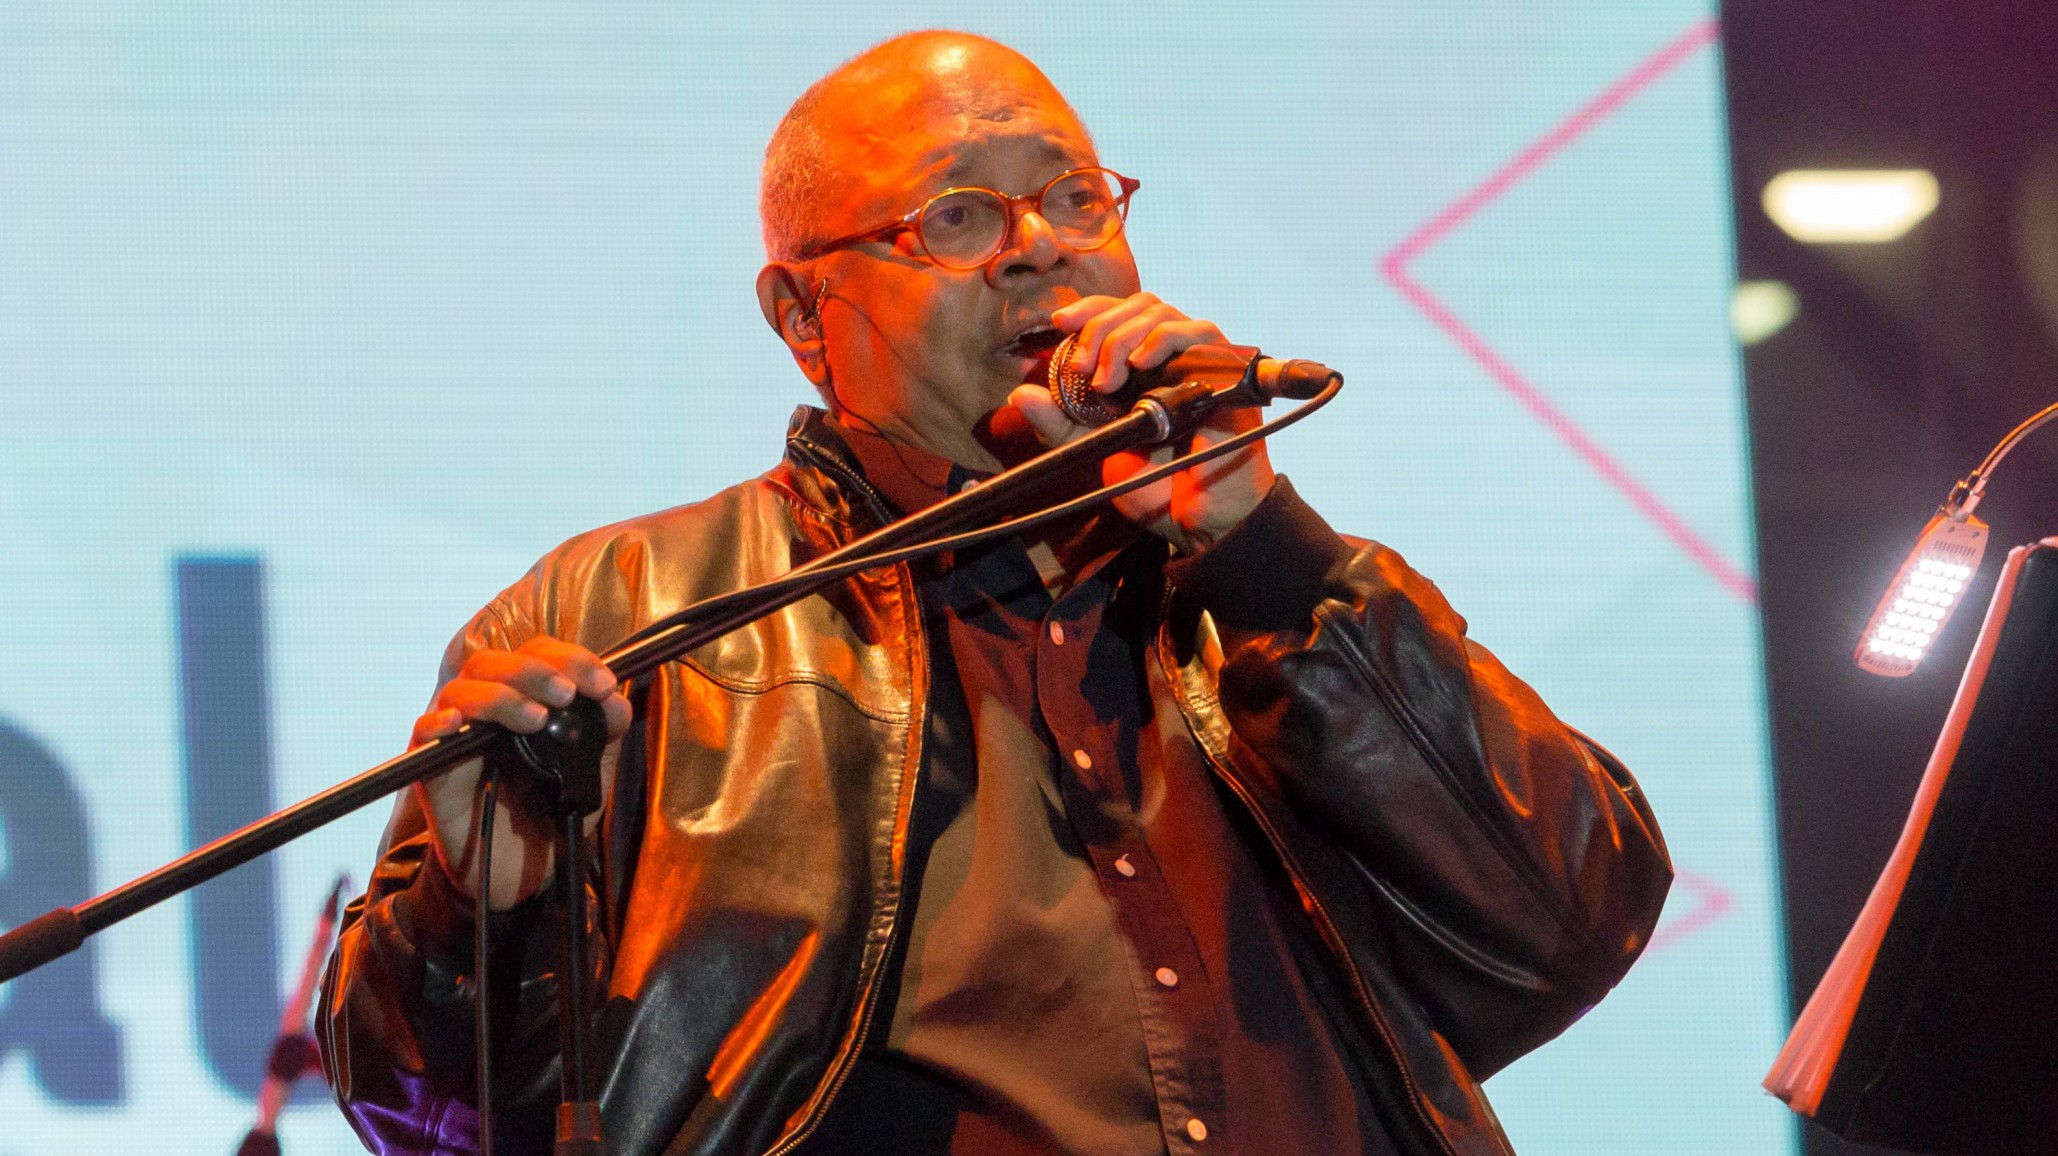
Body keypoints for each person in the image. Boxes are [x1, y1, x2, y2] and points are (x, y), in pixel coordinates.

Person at [318, 30, 1671, 1156]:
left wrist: (1266, 553)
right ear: (800, 318)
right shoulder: (624, 618)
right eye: (957, 216)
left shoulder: (1252, 579)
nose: (1042, 249)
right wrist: (476, 919)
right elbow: (425, 1120)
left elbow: (1576, 919)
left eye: (1075, 198)